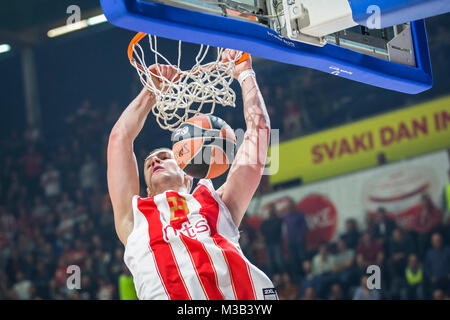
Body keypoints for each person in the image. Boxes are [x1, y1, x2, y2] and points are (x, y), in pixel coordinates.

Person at [107, 50, 275, 300]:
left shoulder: (218, 204)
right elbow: (120, 139)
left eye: (165, 157)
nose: (155, 160)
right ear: (148, 191)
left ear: (188, 175)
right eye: (149, 162)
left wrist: (244, 72)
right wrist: (151, 91)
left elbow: (259, 131)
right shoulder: (134, 219)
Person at [260, 204, 284, 276]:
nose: (270, 211)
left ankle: (283, 275)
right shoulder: (265, 222)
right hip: (268, 244)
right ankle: (273, 277)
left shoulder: (278, 220)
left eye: (272, 209)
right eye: (269, 210)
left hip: (277, 243)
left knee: (279, 261)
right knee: (269, 263)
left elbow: (278, 230)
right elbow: (262, 231)